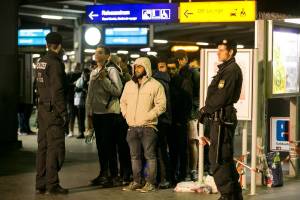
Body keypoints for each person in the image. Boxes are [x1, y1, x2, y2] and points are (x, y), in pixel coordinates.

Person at [198, 39, 243, 200]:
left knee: (218, 158)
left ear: (230, 52)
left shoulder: (231, 70)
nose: (218, 52)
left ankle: (227, 195)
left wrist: (206, 109)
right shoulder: (226, 69)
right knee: (224, 158)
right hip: (219, 118)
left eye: (222, 50)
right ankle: (234, 194)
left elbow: (221, 96)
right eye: (218, 49)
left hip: (223, 118)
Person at [120, 57, 166, 192]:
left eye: (139, 67)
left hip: (148, 127)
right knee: (134, 157)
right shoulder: (129, 85)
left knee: (150, 156)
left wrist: (148, 117)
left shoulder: (156, 85)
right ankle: (137, 181)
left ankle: (150, 183)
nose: (136, 69)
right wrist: (126, 115)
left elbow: (162, 105)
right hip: (132, 127)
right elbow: (123, 102)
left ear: (146, 68)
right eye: (135, 67)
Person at [35, 32, 68, 195]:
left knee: (43, 147)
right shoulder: (55, 63)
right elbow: (57, 90)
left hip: (42, 111)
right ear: (59, 46)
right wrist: (63, 113)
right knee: (55, 148)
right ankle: (52, 184)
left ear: (47, 44)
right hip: (54, 111)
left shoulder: (41, 62)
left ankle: (40, 183)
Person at [86, 46, 123, 187]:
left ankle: (114, 175)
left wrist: (104, 80)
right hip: (97, 114)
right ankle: (103, 173)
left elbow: (118, 91)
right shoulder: (94, 71)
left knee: (110, 146)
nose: (97, 54)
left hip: (109, 114)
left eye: (100, 52)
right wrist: (89, 113)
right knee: (100, 146)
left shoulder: (112, 71)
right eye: (96, 52)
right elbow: (90, 94)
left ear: (108, 56)